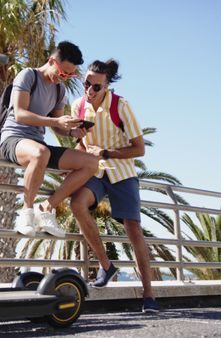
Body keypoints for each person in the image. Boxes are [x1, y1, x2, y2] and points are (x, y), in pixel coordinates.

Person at [69, 59, 160, 313]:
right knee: (77, 205)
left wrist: (107, 152)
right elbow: (81, 145)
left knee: (133, 229)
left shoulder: (121, 106)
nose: (89, 89)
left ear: (106, 86)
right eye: (86, 83)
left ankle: (149, 295)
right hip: (94, 171)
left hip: (121, 172)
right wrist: (79, 154)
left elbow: (139, 149)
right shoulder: (77, 106)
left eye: (96, 86)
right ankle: (106, 266)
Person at [0, 41, 99, 237]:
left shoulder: (59, 90)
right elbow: (20, 114)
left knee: (91, 163)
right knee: (40, 153)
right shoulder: (28, 75)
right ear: (52, 61)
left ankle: (45, 208)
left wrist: (71, 132)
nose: (65, 78)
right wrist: (55, 121)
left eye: (70, 75)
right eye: (63, 73)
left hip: (39, 145)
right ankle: (26, 213)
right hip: (14, 138)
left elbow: (57, 126)